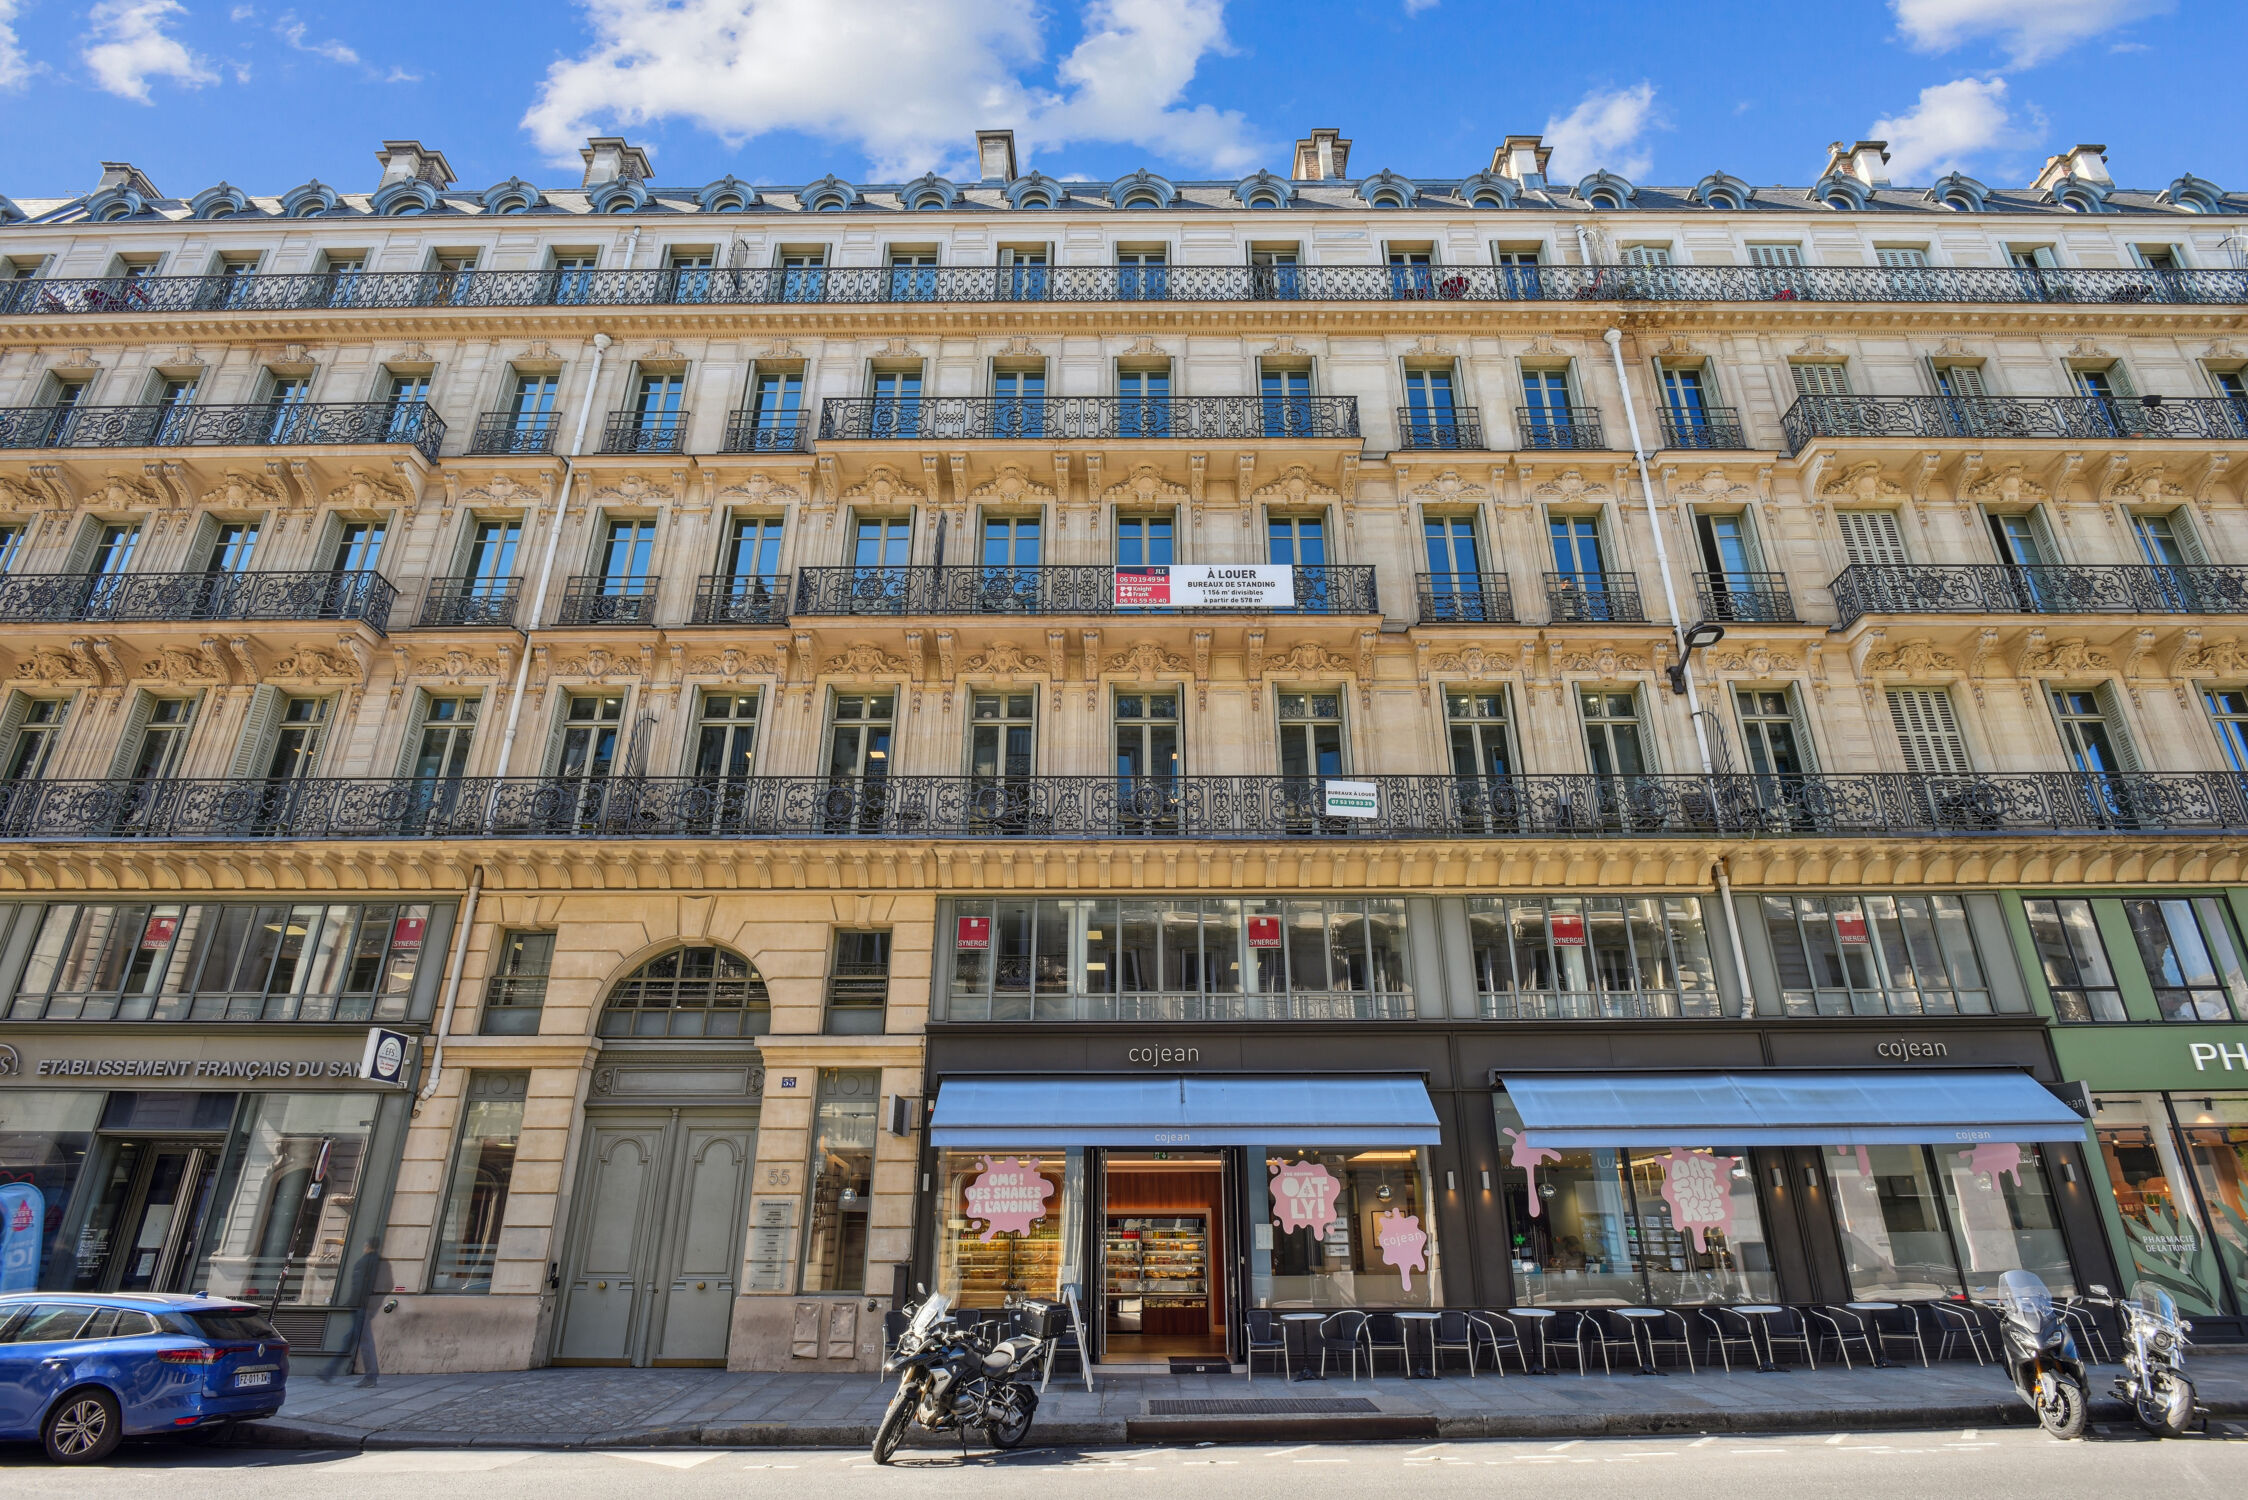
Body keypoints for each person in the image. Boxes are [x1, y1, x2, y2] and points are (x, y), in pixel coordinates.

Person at [343, 1237, 392, 1387]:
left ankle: (371, 1376)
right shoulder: (382, 1262)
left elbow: (359, 1286)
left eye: (365, 1244)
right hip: (366, 1305)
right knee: (350, 1338)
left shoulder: (365, 1262)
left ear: (368, 1246)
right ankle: (328, 1371)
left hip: (361, 1305)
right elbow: (388, 1285)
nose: (363, 1246)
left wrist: (365, 1301)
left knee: (365, 1341)